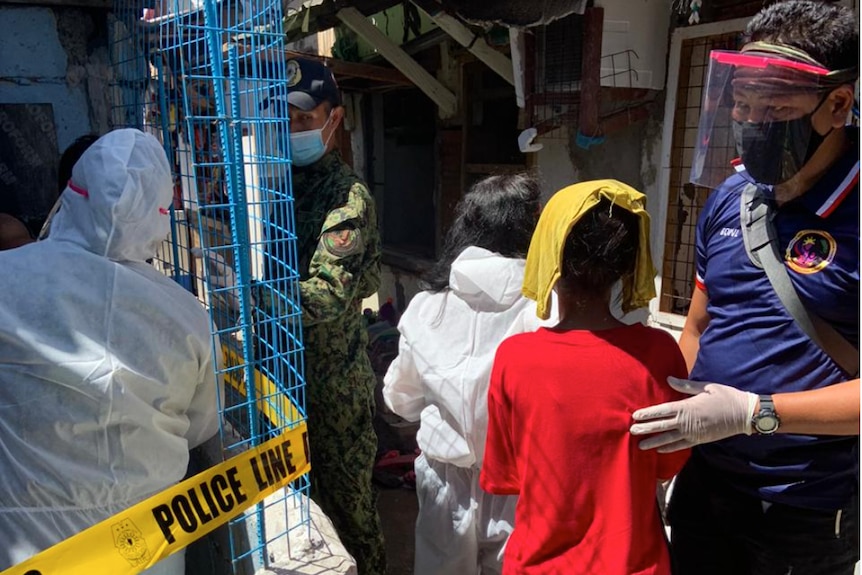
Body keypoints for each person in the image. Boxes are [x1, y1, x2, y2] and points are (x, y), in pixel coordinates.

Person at [629, 2, 860, 573]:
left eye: (776, 106)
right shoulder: (732, 198)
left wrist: (752, 412)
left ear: (837, 105)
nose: (754, 121)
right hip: (706, 481)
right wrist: (665, 413)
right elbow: (698, 324)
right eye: (742, 103)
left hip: (804, 502)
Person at [0, 128, 221, 574]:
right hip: (149, 550)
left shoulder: (7, 278)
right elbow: (199, 427)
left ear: (69, 196)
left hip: (31, 548)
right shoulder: (189, 315)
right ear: (160, 216)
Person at [480, 180, 691, 574]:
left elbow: (505, 475)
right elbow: (668, 463)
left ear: (549, 260)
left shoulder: (515, 357)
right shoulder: (659, 353)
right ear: (627, 266)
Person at [382, 173, 547, 575]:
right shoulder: (544, 309)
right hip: (519, 482)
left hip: (443, 479)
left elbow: (399, 400)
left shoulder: (427, 307)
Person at [260, 57, 385, 575]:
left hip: (330, 384)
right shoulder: (270, 185)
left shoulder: (346, 197)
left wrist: (253, 297)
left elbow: (328, 296)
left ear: (333, 119)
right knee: (291, 512)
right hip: (279, 376)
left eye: (305, 119)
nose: (293, 130)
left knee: (349, 509)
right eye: (284, 119)